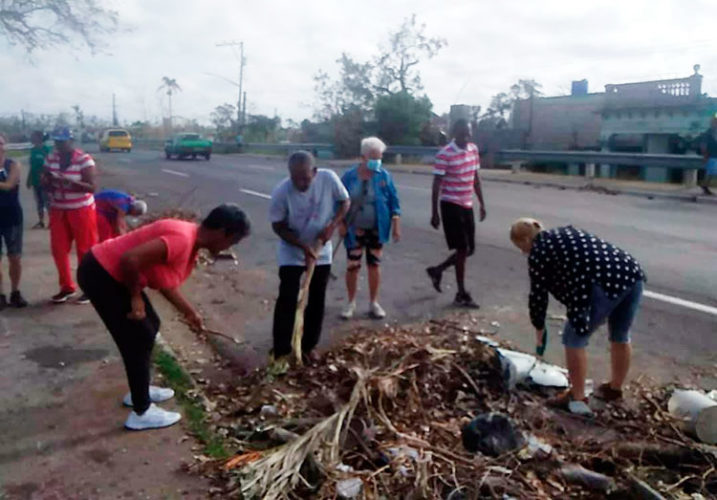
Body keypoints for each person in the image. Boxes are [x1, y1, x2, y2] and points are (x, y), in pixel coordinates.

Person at [77, 204, 251, 430]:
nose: (231, 247)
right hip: (101, 274)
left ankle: (141, 389)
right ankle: (141, 411)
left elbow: (164, 283)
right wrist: (135, 298)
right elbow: (129, 260)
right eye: (233, 241)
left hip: (110, 274)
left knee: (151, 327)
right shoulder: (182, 240)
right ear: (222, 232)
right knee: (137, 339)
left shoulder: (190, 239)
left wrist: (190, 313)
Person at [510, 219, 646, 415]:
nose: (524, 252)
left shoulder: (539, 252)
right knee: (620, 335)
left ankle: (578, 397)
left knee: (573, 339)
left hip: (602, 283)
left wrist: (539, 330)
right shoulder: (565, 233)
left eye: (521, 247)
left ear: (525, 239)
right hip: (631, 274)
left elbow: (538, 296)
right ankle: (614, 389)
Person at [269, 151, 350, 360]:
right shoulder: (281, 192)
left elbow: (345, 202)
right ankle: (281, 349)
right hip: (292, 249)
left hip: (321, 248)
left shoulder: (328, 179)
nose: (300, 183)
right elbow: (277, 226)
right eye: (295, 178)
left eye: (305, 178)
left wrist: (332, 225)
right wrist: (302, 247)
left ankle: (309, 346)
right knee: (287, 297)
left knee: (316, 297)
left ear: (314, 172)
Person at [426, 119, 487, 308]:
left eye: (468, 134)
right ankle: (461, 293)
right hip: (450, 205)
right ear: (454, 134)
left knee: (469, 249)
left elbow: (475, 178)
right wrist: (434, 212)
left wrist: (482, 203)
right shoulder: (445, 154)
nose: (466, 138)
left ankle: (438, 270)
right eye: (462, 134)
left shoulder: (473, 150)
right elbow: (437, 184)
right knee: (461, 249)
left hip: (467, 204)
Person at [339, 137, 400, 319]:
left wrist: (396, 225)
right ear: (363, 157)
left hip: (376, 228)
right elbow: (339, 201)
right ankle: (350, 303)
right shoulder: (350, 176)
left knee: (374, 264)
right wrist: (340, 223)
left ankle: (374, 302)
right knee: (353, 266)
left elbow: (394, 202)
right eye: (373, 157)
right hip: (353, 228)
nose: (377, 161)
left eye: (379, 157)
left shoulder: (384, 176)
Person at [42, 127, 98, 304]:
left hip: (81, 209)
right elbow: (44, 180)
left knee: (85, 250)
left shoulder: (84, 159)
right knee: (58, 249)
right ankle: (66, 287)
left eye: (63, 142)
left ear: (71, 142)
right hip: (58, 208)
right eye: (57, 142)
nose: (59, 145)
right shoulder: (51, 158)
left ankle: (90, 288)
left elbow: (91, 187)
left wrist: (69, 181)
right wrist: (46, 181)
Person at [0, 133, 28, 308]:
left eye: (0, 143)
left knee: (14, 257)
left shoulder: (13, 164)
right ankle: (1, 294)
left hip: (12, 216)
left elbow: (9, 185)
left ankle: (15, 291)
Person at [26, 130, 52, 229]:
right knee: (39, 202)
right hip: (35, 180)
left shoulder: (46, 150)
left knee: (47, 202)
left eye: (33, 136)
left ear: (39, 138)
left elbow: (50, 166)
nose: (31, 138)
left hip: (45, 181)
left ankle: (51, 221)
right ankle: (41, 221)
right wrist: (29, 180)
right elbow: (32, 166)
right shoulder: (32, 150)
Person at [699, 113, 717, 196]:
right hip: (711, 155)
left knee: (711, 172)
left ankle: (704, 185)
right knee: (711, 172)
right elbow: (703, 145)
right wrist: (705, 155)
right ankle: (704, 185)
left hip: (715, 155)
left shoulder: (714, 133)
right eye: (715, 122)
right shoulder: (708, 133)